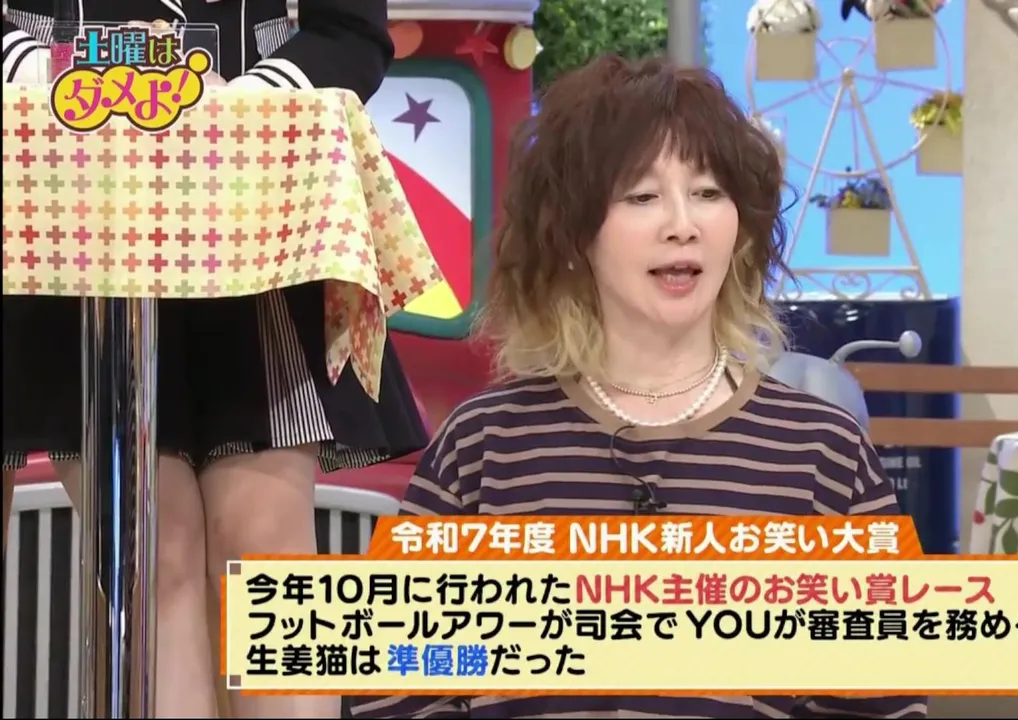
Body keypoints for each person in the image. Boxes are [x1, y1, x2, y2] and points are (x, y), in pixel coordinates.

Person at [349, 54, 928, 720]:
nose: (682, 224)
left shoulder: (823, 453)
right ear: (573, 235)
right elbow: (392, 693)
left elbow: (883, 702)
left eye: (708, 193)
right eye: (642, 196)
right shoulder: (483, 446)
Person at [1, 1, 428, 717]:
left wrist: (236, 108)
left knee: (265, 552)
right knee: (152, 549)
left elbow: (350, 28)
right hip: (60, 202)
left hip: (252, 203)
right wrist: (43, 72)